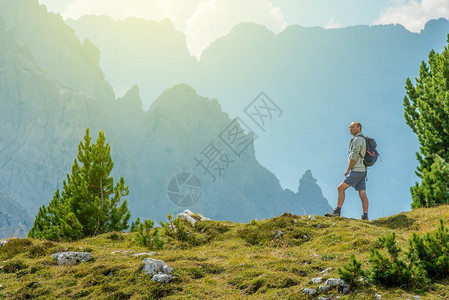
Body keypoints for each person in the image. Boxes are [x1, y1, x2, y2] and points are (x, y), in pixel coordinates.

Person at [325, 121, 369, 220]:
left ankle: (337, 211)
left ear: (359, 128)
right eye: (349, 127)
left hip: (356, 170)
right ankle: (365, 216)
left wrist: (348, 169)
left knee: (340, 188)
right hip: (363, 170)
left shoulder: (358, 139)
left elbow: (354, 155)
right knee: (362, 193)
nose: (350, 128)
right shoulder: (363, 139)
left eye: (353, 127)